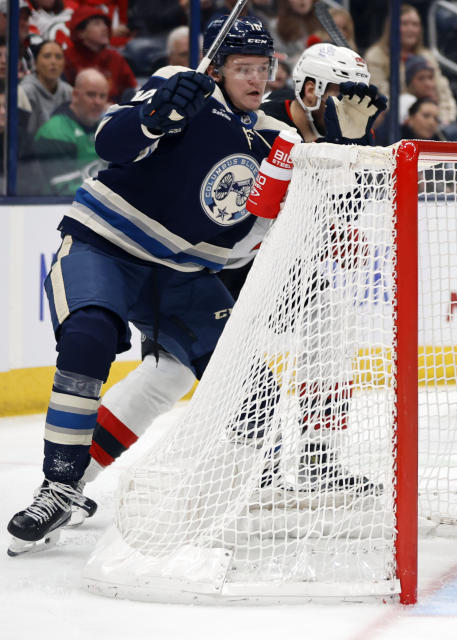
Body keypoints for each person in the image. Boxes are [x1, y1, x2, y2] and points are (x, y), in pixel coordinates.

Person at [4, 15, 293, 556]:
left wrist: (351, 141)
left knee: (252, 392)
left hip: (184, 275)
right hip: (106, 244)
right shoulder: (178, 85)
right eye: (242, 68)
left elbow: (272, 222)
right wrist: (155, 118)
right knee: (89, 336)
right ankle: (59, 486)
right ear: (217, 68)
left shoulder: (279, 141)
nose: (256, 79)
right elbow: (110, 142)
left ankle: (255, 491)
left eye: (264, 68)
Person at [79, 41, 387, 494]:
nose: (347, 104)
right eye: (339, 91)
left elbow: (337, 218)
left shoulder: (342, 135)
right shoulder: (264, 126)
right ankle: (71, 480)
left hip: (267, 269)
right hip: (206, 267)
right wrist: (340, 149)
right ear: (307, 88)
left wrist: (354, 149)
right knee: (168, 374)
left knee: (330, 313)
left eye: (354, 95)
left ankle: (317, 456)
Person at [364, 4, 457, 127]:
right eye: (405, 24)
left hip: (434, 121)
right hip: (396, 122)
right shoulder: (376, 55)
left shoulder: (427, 56)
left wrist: (444, 121)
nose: (411, 29)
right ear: (392, 27)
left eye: (415, 25)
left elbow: (443, 92)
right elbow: (381, 96)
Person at [30, 68, 109, 196]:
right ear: (75, 95)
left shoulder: (107, 127)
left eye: (102, 96)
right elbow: (63, 187)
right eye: (91, 94)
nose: (98, 102)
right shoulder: (55, 131)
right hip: (58, 208)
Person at [63, 4, 137, 103]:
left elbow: (133, 90)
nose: (105, 28)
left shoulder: (115, 58)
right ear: (80, 32)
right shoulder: (66, 58)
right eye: (97, 24)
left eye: (105, 24)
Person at [19, 39, 72, 140]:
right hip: (34, 151)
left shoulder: (69, 91)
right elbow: (25, 135)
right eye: (47, 56)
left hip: (65, 148)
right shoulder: (25, 91)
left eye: (58, 57)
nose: (53, 62)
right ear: (35, 62)